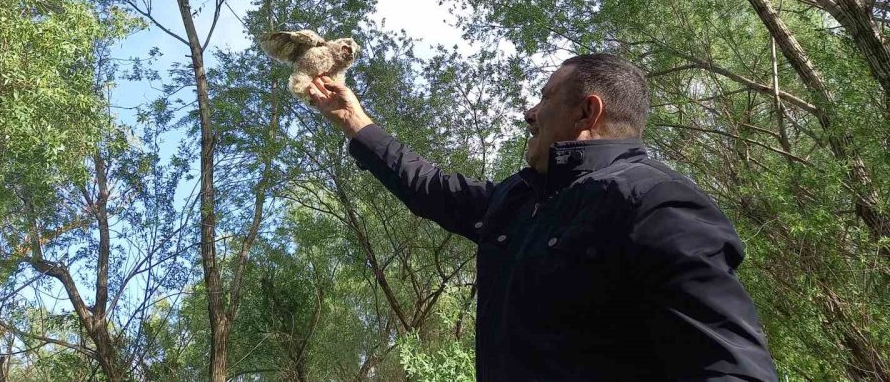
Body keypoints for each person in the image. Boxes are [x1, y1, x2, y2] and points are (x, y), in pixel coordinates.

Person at [307, 53, 778, 381]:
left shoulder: (655, 200)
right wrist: (354, 120)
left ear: (587, 112)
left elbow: (728, 367)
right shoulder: (518, 199)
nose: (529, 113)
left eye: (545, 97)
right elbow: (432, 188)